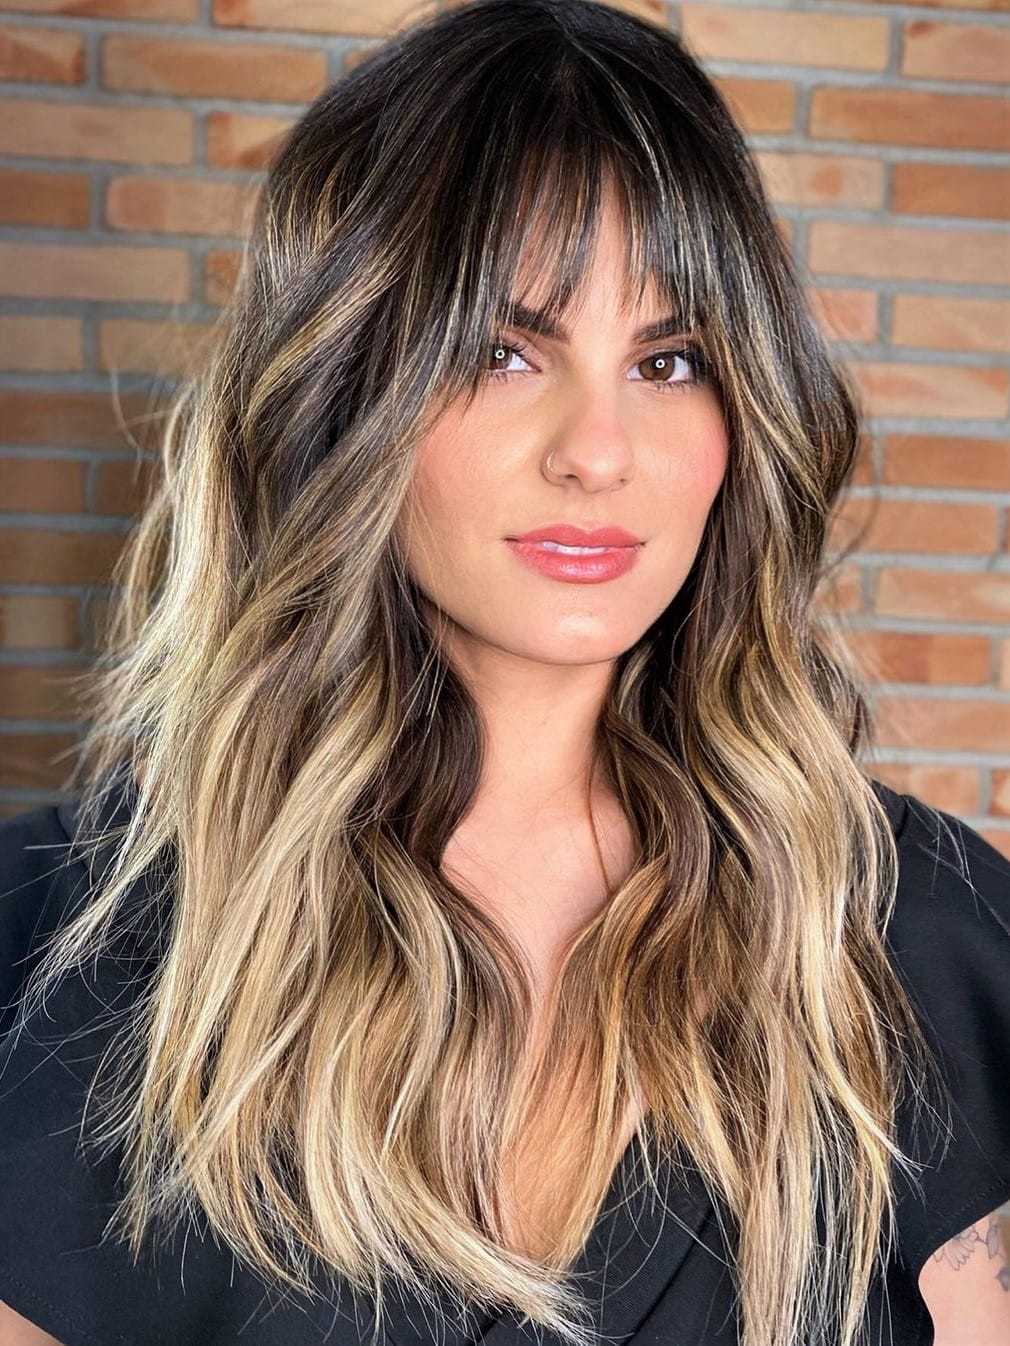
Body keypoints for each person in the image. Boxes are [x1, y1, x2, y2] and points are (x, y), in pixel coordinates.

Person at [1, 2, 1009, 1344]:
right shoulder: (58, 953)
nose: (597, 448)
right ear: (341, 391)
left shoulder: (923, 943)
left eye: (668, 359)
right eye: (501, 349)